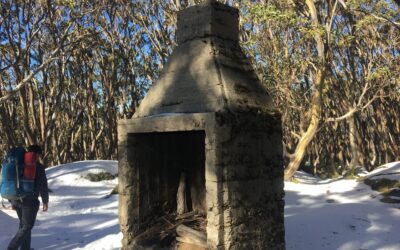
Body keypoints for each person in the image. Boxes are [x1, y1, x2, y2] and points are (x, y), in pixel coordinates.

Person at [7, 145, 49, 250]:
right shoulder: (37, 166)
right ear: (37, 154)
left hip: (16, 199)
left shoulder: (18, 164)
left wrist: (11, 200)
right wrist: (45, 201)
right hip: (29, 201)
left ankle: (25, 248)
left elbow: (11, 182)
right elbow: (43, 185)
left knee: (24, 224)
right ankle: (12, 248)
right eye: (39, 154)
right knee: (27, 226)